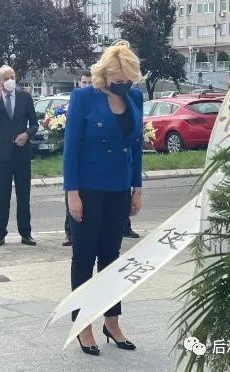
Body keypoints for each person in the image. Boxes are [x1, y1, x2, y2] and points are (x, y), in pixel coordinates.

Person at [64, 40, 143, 356]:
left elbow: (136, 147)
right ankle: (82, 324)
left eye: (128, 80)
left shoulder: (135, 97)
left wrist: (137, 188)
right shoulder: (84, 97)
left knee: (112, 258)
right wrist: (72, 193)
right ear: (105, 74)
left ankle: (112, 322)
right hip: (87, 189)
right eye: (118, 79)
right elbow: (71, 149)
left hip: (119, 188)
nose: (123, 84)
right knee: (84, 257)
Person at [0, 65, 38, 247]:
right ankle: (0, 233)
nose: (10, 80)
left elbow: (35, 124)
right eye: (6, 78)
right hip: (2, 154)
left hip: (22, 153)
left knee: (23, 195)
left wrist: (26, 135)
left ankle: (26, 233)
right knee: (2, 196)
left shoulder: (25, 97)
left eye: (12, 77)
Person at [63, 70, 92, 247]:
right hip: (75, 157)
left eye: (90, 82)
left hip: (90, 160)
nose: (87, 85)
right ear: (79, 83)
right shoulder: (75, 101)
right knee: (72, 197)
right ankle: (70, 232)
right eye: (84, 82)